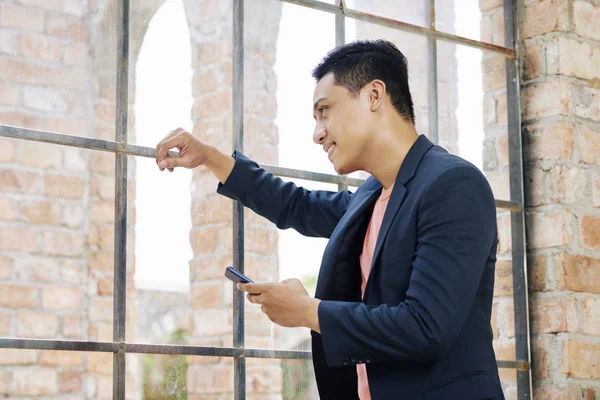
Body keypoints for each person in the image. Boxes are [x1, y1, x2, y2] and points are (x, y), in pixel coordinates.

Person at [156, 39, 504, 400]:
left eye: (325, 111)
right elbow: (297, 206)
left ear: (374, 95)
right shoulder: (371, 196)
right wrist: (210, 157)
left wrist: (308, 312)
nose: (317, 133)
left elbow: (427, 325)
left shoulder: (453, 185)